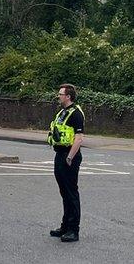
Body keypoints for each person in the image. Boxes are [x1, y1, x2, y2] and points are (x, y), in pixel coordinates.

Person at [47, 83, 85, 242]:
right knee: (64, 193)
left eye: (60, 94)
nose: (58, 96)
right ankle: (65, 226)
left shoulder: (76, 113)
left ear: (68, 96)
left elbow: (79, 138)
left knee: (71, 193)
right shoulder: (63, 112)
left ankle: (73, 230)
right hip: (60, 154)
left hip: (70, 156)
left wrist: (70, 157)